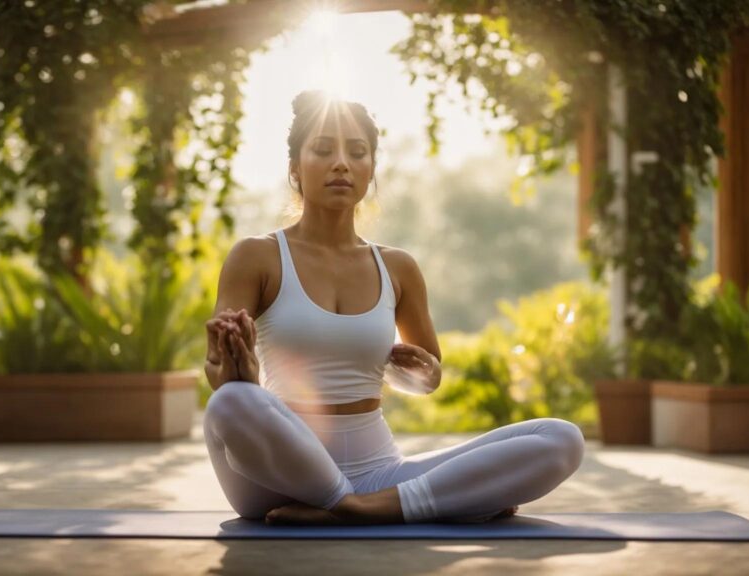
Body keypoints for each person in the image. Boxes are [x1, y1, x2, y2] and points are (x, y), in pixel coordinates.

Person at [201, 90, 584, 526]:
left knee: (560, 438)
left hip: (379, 472)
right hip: (277, 479)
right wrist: (238, 371)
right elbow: (220, 379)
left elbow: (427, 380)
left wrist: (420, 371)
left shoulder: (398, 267)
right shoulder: (257, 256)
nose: (341, 163)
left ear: (371, 170)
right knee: (230, 404)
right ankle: (379, 501)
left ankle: (358, 508)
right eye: (323, 150)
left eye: (357, 152)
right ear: (295, 169)